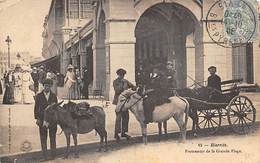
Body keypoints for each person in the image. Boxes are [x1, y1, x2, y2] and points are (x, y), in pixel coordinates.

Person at [34, 79, 58, 161]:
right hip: (42, 119)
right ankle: (44, 156)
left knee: (52, 137)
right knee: (43, 138)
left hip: (52, 121)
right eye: (45, 86)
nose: (47, 87)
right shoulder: (39, 96)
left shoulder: (54, 96)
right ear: (43, 86)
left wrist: (56, 120)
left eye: (48, 86)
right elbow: (36, 108)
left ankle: (53, 155)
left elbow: (56, 109)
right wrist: (37, 118)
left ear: (51, 86)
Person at [113, 68, 134, 141]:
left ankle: (124, 132)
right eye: (121, 75)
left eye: (123, 75)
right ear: (118, 75)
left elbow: (133, 86)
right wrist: (122, 85)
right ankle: (116, 133)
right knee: (118, 118)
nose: (122, 76)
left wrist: (133, 88)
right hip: (119, 101)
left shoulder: (126, 81)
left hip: (126, 102)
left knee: (126, 117)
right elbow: (117, 90)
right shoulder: (115, 81)